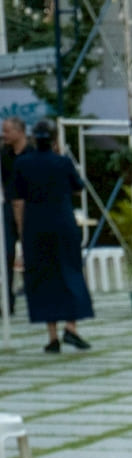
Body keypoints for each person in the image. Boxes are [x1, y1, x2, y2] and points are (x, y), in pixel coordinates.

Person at [12, 120, 93, 353]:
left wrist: (21, 230)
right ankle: (71, 327)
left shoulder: (22, 163)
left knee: (43, 278)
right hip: (62, 223)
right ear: (55, 140)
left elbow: (18, 199)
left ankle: (52, 336)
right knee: (70, 273)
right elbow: (78, 186)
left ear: (34, 139)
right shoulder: (63, 162)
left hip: (35, 226)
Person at [2, 116, 27, 318]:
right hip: (9, 208)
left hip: (32, 208)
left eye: (7, 131)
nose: (4, 135)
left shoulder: (32, 154)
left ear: (19, 131)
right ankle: (7, 301)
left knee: (35, 254)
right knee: (6, 254)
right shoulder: (4, 154)